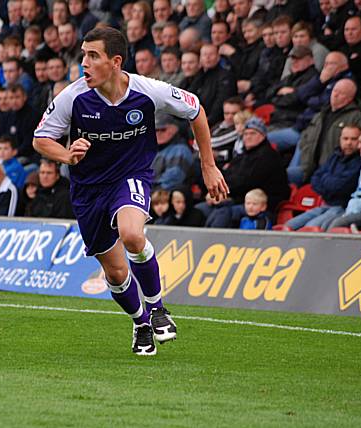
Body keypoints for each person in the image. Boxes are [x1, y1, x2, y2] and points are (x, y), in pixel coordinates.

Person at [33, 27, 228, 355]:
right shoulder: (73, 97)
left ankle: (158, 309)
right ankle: (140, 323)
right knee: (116, 272)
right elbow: (41, 139)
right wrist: (67, 155)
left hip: (131, 176)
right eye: (83, 55)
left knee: (133, 235)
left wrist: (208, 165)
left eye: (93, 56)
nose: (84, 63)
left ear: (115, 61)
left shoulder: (147, 91)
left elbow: (195, 109)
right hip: (88, 190)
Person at [285, 125, 361, 230]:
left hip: (341, 208)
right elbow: (315, 179)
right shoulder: (334, 156)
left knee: (310, 228)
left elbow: (340, 187)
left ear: (360, 141)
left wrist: (326, 179)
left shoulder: (360, 162)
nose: (349, 142)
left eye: (353, 139)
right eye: (345, 138)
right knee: (289, 225)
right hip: (324, 204)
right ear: (340, 139)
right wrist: (329, 183)